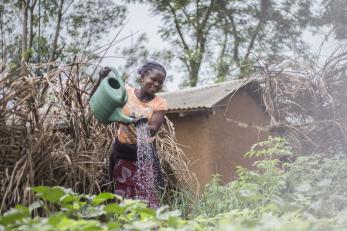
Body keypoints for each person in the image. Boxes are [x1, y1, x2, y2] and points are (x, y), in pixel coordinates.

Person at [92, 62, 167, 208]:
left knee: (147, 195)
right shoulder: (125, 93)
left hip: (145, 156)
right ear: (143, 76)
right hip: (122, 154)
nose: (156, 84)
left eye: (160, 82)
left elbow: (153, 128)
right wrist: (101, 79)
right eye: (153, 79)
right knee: (123, 196)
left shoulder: (160, 103)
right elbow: (97, 99)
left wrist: (138, 122)